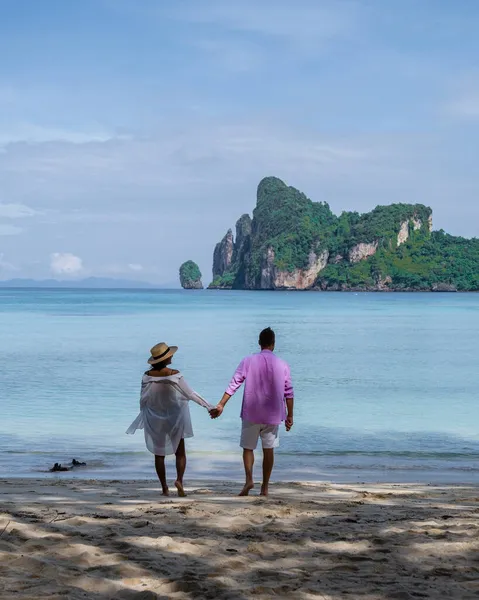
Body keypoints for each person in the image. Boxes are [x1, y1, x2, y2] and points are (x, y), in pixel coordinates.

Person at [210, 327, 294, 497]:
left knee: (248, 448)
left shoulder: (248, 360)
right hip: (273, 415)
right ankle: (265, 488)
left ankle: (249, 479)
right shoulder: (282, 364)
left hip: (251, 412)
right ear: (273, 344)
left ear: (259, 343)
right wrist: (290, 416)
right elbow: (289, 392)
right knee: (268, 450)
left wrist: (221, 404)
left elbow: (234, 383)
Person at [126, 342, 212, 497]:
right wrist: (209, 407)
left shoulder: (147, 376)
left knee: (159, 455)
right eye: (169, 355)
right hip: (175, 418)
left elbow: (143, 399)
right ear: (166, 359)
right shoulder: (175, 374)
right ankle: (179, 480)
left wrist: (144, 415)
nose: (172, 356)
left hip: (155, 418)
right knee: (180, 452)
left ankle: (164, 488)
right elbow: (190, 394)